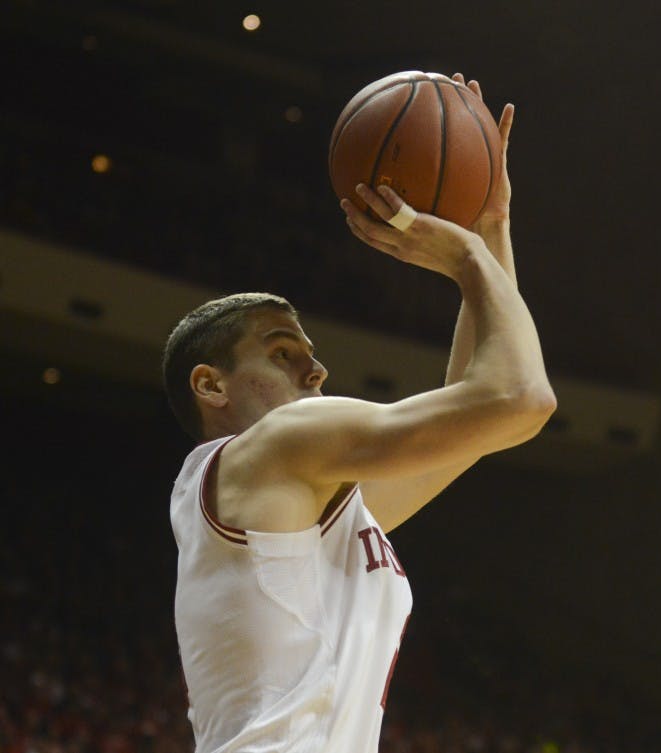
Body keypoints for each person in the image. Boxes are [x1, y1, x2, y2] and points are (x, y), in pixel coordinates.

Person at [162, 74, 556, 753]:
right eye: (283, 353)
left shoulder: (294, 505)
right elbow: (521, 398)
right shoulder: (281, 442)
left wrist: (491, 228)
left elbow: (478, 417)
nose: (315, 369)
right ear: (211, 383)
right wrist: (465, 258)